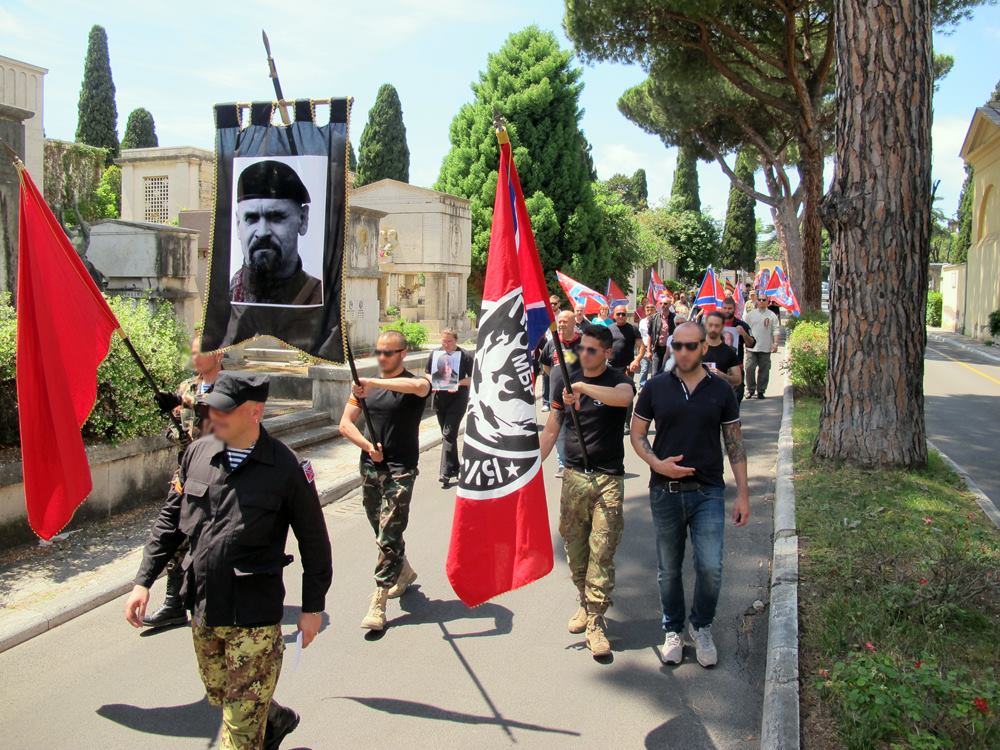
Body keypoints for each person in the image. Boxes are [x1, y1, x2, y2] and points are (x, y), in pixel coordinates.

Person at [126, 372, 332, 750]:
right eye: (209, 408)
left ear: (255, 412)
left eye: (223, 410)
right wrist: (143, 581)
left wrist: (312, 608)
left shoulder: (287, 468)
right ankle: (272, 718)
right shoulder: (197, 453)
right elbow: (169, 522)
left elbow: (315, 543)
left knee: (236, 735)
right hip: (203, 606)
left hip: (253, 615)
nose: (212, 416)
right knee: (223, 695)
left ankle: (256, 722)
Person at [630, 321, 750, 668]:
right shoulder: (655, 388)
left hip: (708, 492)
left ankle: (701, 626)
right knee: (669, 569)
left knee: (710, 566)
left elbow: (735, 445)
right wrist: (657, 464)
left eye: (689, 346)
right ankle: (673, 629)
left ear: (703, 348)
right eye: (676, 346)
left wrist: (743, 494)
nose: (682, 352)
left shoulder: (721, 391)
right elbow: (638, 436)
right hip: (665, 492)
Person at [539, 324, 635, 657]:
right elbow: (553, 428)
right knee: (575, 550)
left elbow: (624, 399)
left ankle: (595, 620)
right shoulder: (562, 382)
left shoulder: (618, 381)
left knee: (603, 549)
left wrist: (582, 387)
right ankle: (584, 601)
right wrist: (532, 465)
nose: (584, 354)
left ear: (607, 353)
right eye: (581, 348)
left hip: (608, 479)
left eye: (592, 350)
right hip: (574, 478)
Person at [338, 330, 431, 630]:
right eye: (378, 352)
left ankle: (378, 602)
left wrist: (374, 382)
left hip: (401, 469)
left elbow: (419, 386)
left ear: (403, 353)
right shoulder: (363, 391)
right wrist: (366, 447)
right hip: (370, 468)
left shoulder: (413, 384)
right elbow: (345, 424)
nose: (381, 357)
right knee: (380, 529)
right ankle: (403, 570)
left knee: (389, 532)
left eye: (387, 353)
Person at [144, 337, 224, 629]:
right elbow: (174, 433)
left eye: (199, 352)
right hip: (186, 476)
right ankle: (173, 603)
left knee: (211, 539)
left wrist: (187, 404)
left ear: (218, 354)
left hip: (218, 478)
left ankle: (214, 600)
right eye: (191, 353)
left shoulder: (229, 387)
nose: (194, 358)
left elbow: (223, 415)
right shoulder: (187, 387)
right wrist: (177, 426)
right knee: (174, 536)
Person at [230, 160, 322, 306]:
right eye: (251, 219)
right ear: (238, 224)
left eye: (276, 217)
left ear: (303, 220)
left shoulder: (319, 297)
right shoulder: (225, 299)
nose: (262, 232)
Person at [424, 328, 473, 487]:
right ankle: (455, 467)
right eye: (444, 341)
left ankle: (444, 473)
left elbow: (473, 378)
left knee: (448, 432)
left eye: (449, 341)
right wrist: (434, 381)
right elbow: (427, 373)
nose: (446, 344)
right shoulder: (435, 354)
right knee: (447, 435)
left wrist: (457, 383)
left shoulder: (464, 355)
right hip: (440, 399)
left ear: (456, 340)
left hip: (458, 399)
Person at [539, 311, 584, 479]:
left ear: (574, 324)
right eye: (560, 321)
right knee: (560, 433)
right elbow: (546, 366)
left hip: (579, 398)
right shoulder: (552, 344)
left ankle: (579, 462)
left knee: (578, 430)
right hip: (556, 399)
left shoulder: (583, 343)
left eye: (566, 321)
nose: (562, 324)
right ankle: (563, 464)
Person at [608, 304, 644, 432]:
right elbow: (602, 347)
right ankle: (612, 420)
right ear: (614, 315)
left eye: (623, 314)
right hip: (611, 367)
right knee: (610, 395)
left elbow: (641, 347)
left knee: (627, 395)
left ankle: (626, 423)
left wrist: (637, 360)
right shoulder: (609, 329)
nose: (621, 316)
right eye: (618, 314)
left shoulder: (633, 329)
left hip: (627, 368)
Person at [744, 295, 780, 399]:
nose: (761, 301)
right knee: (749, 368)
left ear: (767, 302)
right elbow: (745, 330)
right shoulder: (750, 315)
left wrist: (775, 343)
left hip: (765, 347)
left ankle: (761, 391)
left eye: (764, 300)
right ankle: (750, 390)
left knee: (764, 370)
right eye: (759, 300)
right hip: (751, 347)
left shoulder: (772, 315)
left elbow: (775, 330)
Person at [720, 297, 756, 402]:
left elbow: (752, 344)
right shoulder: (715, 324)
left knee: (736, 398)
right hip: (718, 368)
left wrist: (743, 334)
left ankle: (734, 418)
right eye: (725, 308)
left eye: (729, 308)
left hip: (736, 368)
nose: (727, 311)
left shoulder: (742, 325)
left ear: (734, 309)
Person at [701, 311, 743, 389]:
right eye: (710, 325)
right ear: (705, 325)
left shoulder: (729, 352)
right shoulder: (696, 348)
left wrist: (723, 376)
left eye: (717, 326)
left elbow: (738, 380)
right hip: (697, 397)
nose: (713, 329)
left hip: (720, 397)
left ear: (722, 327)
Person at [647, 304, 675, 375]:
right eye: (661, 304)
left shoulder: (675, 318)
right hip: (657, 349)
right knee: (654, 374)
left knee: (668, 373)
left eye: (665, 304)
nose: (663, 305)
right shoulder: (653, 318)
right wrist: (648, 350)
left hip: (670, 350)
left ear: (669, 305)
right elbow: (650, 335)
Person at [637, 302, 656, 389]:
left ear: (655, 310)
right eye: (647, 310)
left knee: (654, 368)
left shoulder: (657, 320)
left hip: (654, 347)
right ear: (645, 311)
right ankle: (642, 385)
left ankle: (653, 386)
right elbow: (640, 335)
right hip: (644, 346)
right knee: (644, 368)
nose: (649, 311)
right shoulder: (642, 321)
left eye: (651, 310)